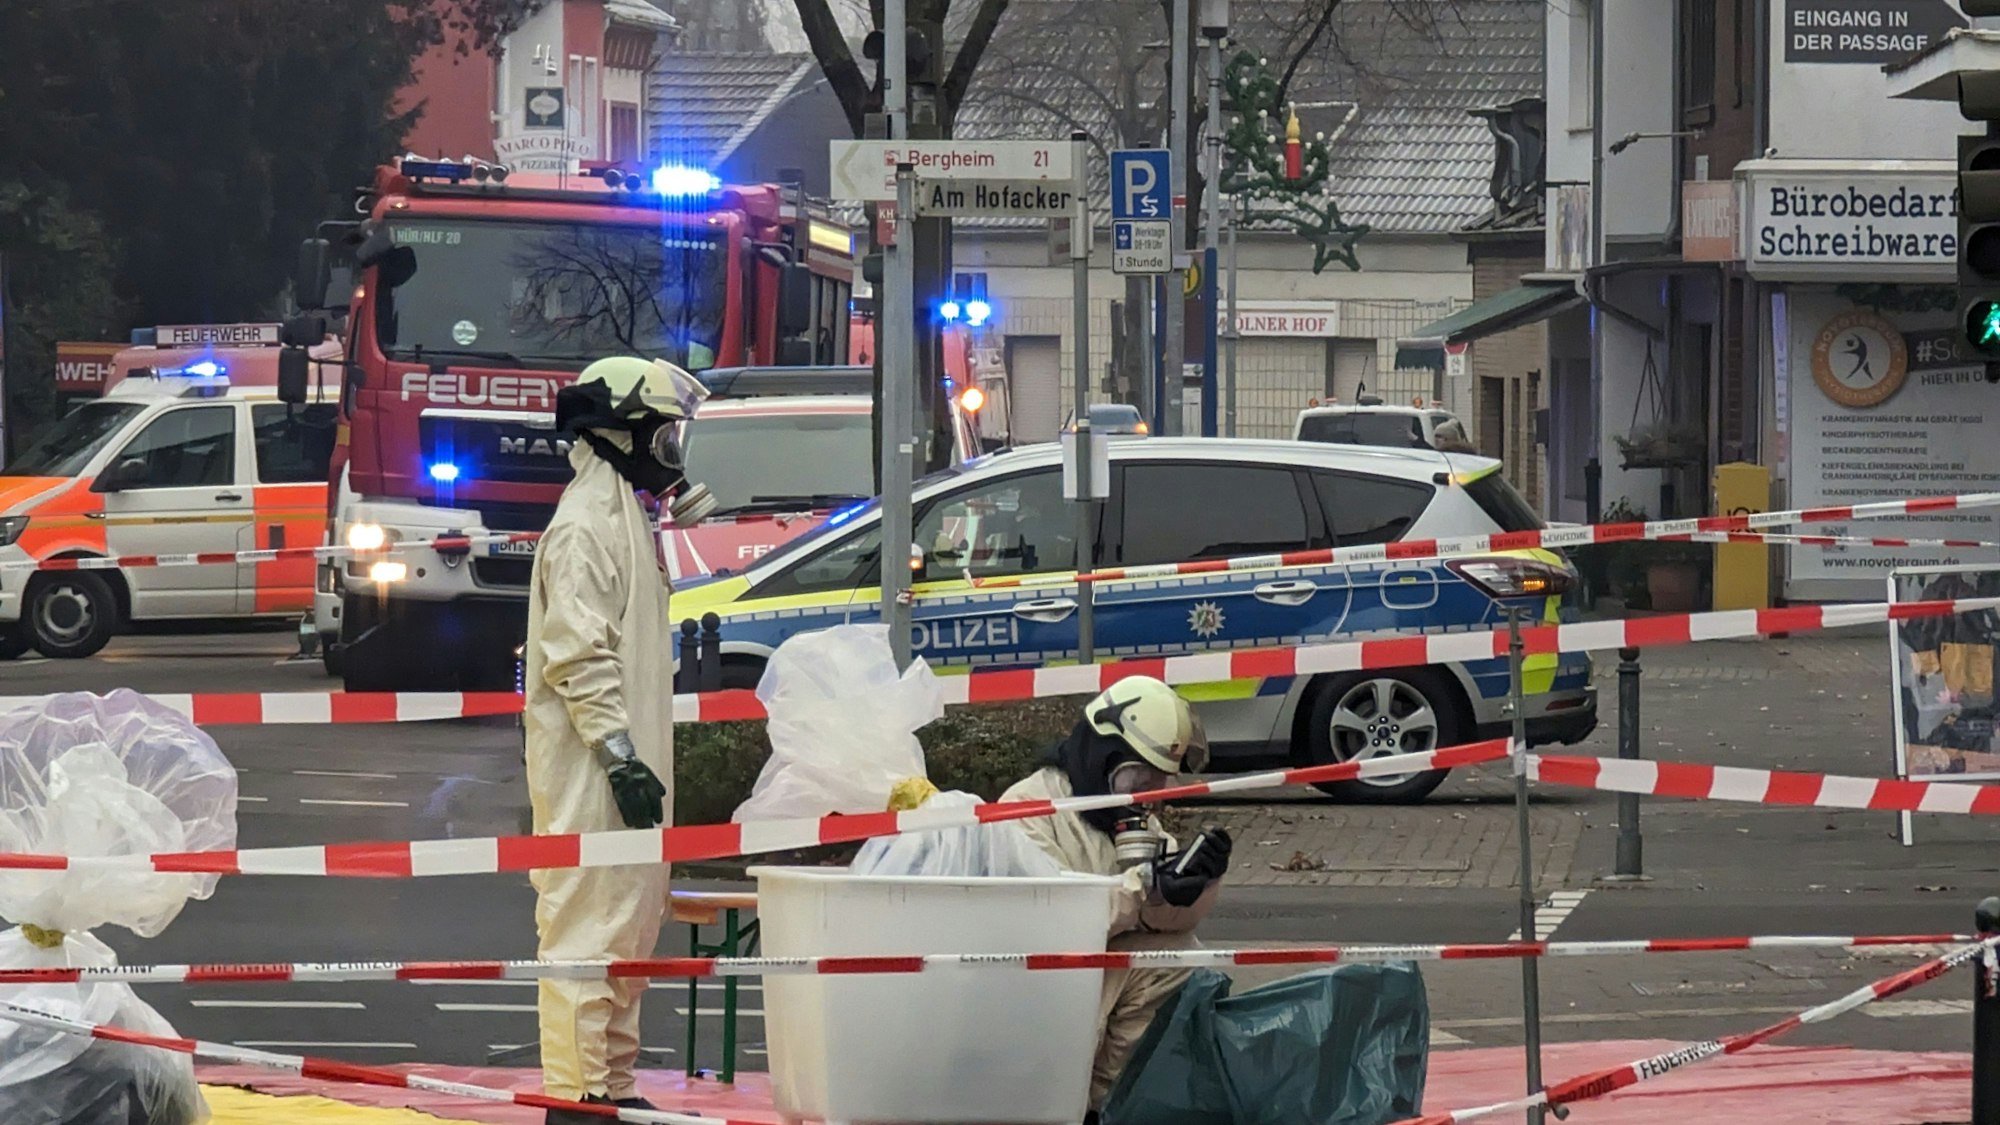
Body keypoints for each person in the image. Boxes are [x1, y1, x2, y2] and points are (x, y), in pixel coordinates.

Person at [527, 355, 700, 1123]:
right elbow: (575, 654)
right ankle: (577, 1098)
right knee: (585, 929)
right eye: (663, 434)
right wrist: (618, 753)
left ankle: (615, 1090)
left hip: (624, 764)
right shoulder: (585, 528)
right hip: (595, 771)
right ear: (620, 430)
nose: (671, 450)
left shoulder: (626, 516)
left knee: (629, 926)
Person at [1000, 676, 1232, 1113]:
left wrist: (1197, 884)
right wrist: (1146, 890)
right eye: (1142, 777)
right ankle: (1075, 1105)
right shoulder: (1030, 812)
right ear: (1106, 754)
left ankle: (1105, 1106)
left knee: (1179, 957)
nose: (1152, 796)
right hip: (1036, 996)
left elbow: (1162, 924)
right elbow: (1053, 920)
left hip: (1087, 990)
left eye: (1159, 780)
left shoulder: (1124, 819)